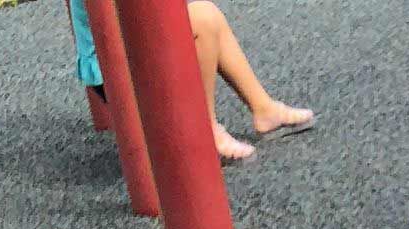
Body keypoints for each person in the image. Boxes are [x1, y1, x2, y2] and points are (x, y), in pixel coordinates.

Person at [67, 0, 314, 165]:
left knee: (208, 14)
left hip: (132, 51)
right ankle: (203, 130)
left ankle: (264, 109)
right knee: (201, 21)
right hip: (114, 72)